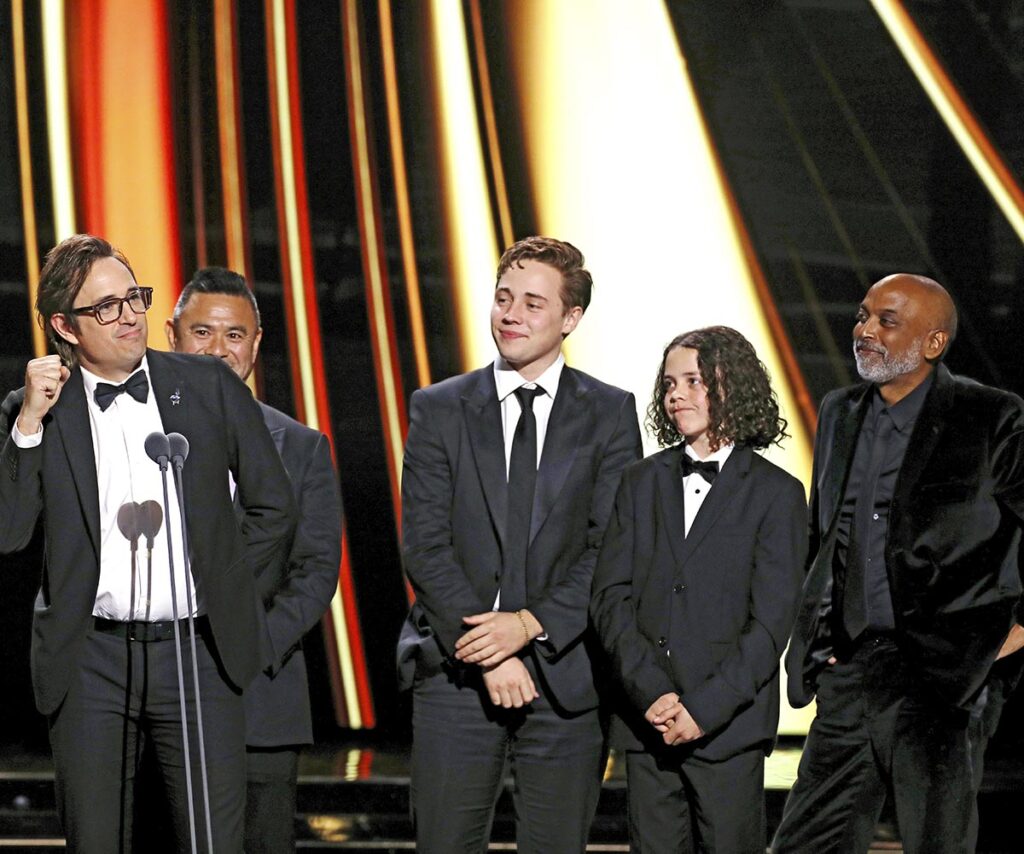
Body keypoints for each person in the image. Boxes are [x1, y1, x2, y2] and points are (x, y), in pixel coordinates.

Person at [0, 235, 295, 852]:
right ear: (65, 326)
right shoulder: (39, 411)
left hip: (197, 653)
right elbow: (10, 531)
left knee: (212, 840)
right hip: (89, 659)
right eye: (106, 306)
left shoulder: (208, 384)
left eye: (133, 297)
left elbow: (273, 504)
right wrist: (28, 423)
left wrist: (226, 591)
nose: (130, 314)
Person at [397, 236, 642, 852]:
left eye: (534, 303)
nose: (511, 314)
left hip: (568, 676)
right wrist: (492, 650)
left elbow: (611, 546)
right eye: (504, 298)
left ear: (571, 319)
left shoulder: (610, 413)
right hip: (456, 673)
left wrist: (530, 624)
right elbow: (425, 545)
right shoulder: (439, 407)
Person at [772, 273, 1024, 854]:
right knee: (807, 841)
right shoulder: (840, 411)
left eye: (887, 321)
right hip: (850, 665)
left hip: (944, 673)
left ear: (933, 343)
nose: (865, 330)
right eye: (863, 316)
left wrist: (1006, 636)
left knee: (936, 841)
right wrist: (821, 634)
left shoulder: (989, 416)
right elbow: (828, 534)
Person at [590, 326, 806, 853]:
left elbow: (771, 624)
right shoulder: (638, 482)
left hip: (728, 729)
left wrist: (703, 709)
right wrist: (654, 694)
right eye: (669, 384)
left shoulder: (777, 494)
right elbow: (610, 598)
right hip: (649, 726)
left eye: (692, 381)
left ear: (730, 386)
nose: (676, 395)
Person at [165, 266, 341, 851]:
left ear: (256, 344)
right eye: (202, 333)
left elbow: (315, 572)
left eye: (234, 335)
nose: (219, 350)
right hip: (153, 691)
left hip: (259, 698)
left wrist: (248, 645)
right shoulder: (131, 439)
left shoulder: (302, 446)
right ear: (173, 335)